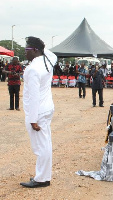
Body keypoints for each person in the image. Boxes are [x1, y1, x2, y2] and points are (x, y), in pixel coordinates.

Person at [20, 36, 57, 188]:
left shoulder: (33, 69)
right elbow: (52, 54)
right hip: (47, 108)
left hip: (38, 111)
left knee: (40, 146)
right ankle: (44, 175)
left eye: (27, 50)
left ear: (35, 50)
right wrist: (41, 48)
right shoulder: (48, 60)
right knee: (45, 143)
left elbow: (34, 96)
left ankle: (41, 179)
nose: (25, 53)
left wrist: (32, 119)